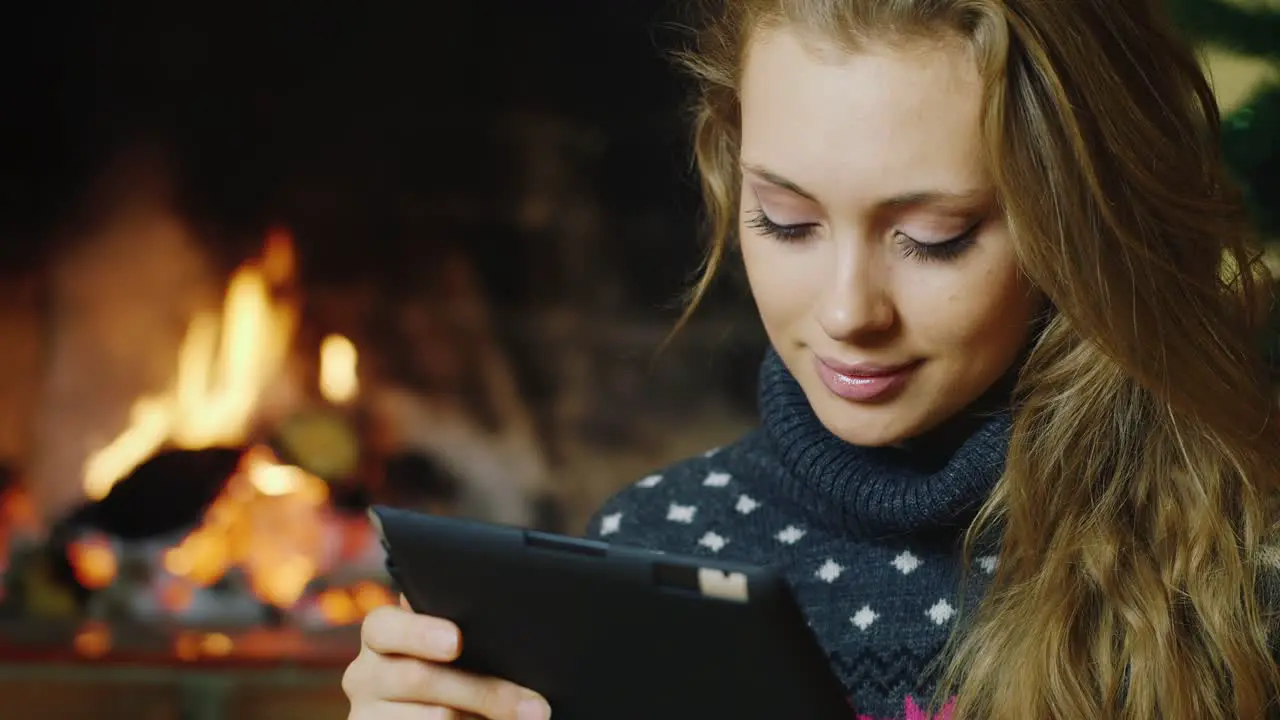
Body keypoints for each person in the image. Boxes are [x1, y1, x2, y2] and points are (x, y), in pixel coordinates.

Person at [342, 0, 1280, 717]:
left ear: (1078, 227)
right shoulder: (651, 542)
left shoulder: (1239, 566)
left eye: (934, 237)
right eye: (785, 221)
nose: (845, 313)